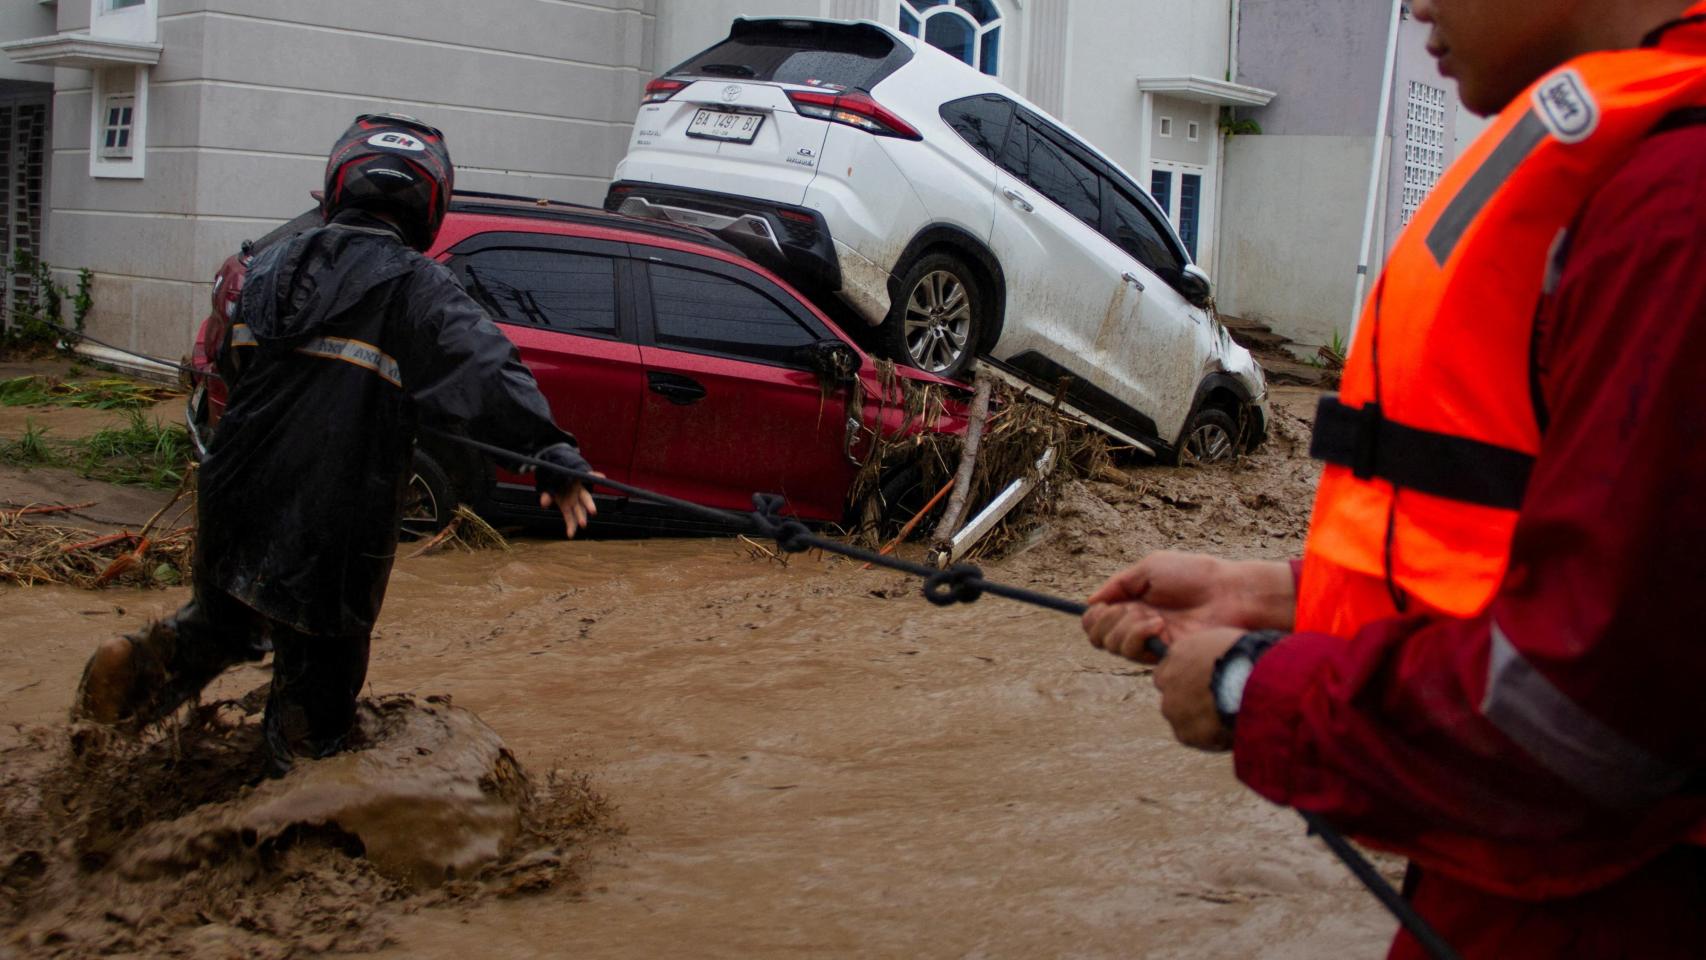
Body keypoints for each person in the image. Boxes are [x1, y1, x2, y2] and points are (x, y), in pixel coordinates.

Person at [1082, 1, 1706, 956]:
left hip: (1609, 903)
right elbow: (1588, 564)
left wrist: (1258, 689)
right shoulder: (1642, 182)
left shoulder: (1676, 209)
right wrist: (1288, 595)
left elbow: (1590, 709)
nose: (1413, 4)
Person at [74, 114, 598, 776]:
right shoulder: (419, 286)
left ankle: (138, 676)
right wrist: (550, 453)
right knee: (319, 684)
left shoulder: (267, 266)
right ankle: (290, 823)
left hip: (234, 490)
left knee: (223, 622)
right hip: (336, 517)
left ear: (336, 185)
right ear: (430, 205)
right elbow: (486, 370)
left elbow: (230, 370)